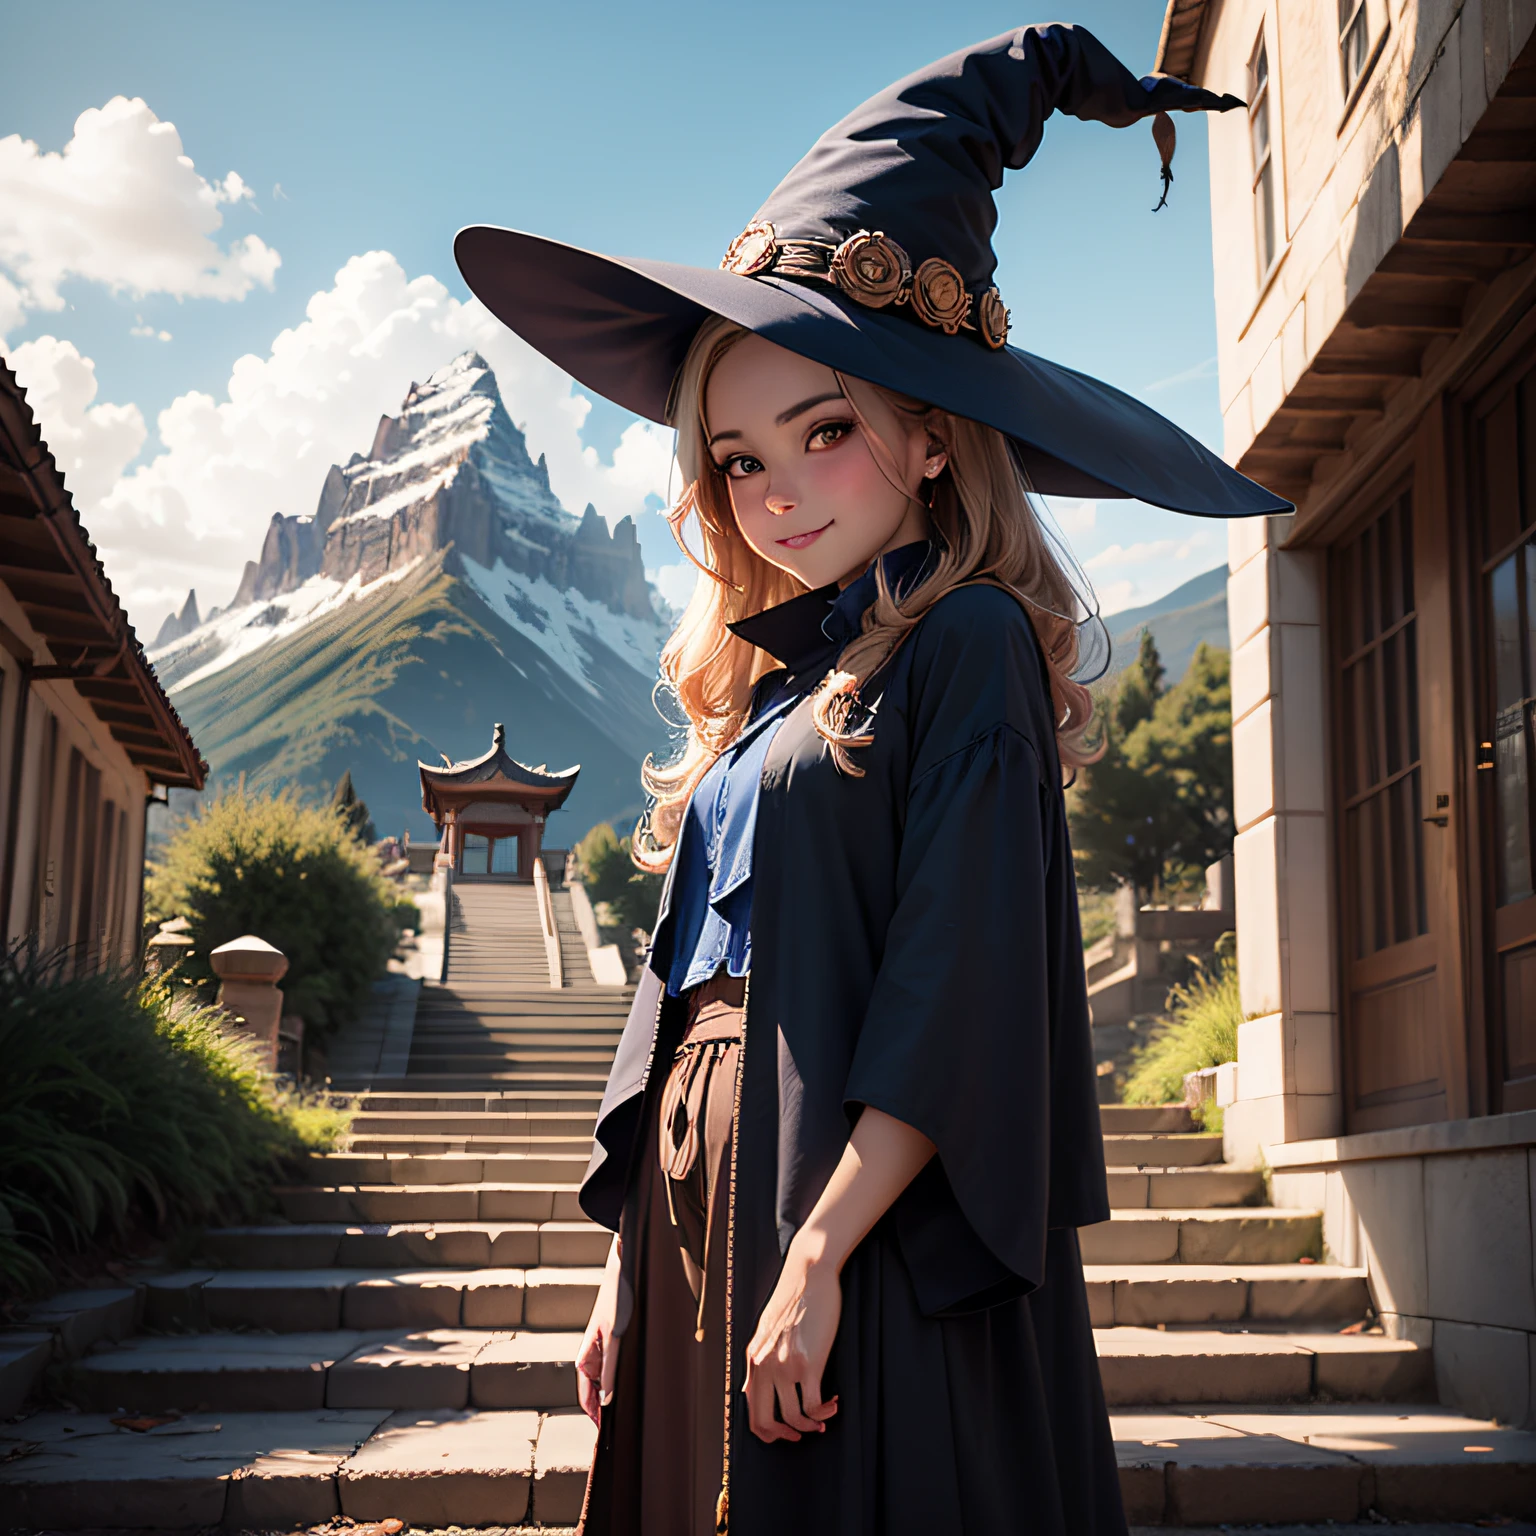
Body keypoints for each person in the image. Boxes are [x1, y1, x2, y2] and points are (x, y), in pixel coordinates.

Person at [455, 23, 1284, 1536]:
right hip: (701, 1192)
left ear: (928, 441)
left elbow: (954, 990)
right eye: (736, 460)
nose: (773, 493)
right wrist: (628, 1262)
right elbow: (676, 976)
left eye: (823, 432)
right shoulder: (773, 680)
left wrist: (825, 1254)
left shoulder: (965, 643)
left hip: (855, 1199)